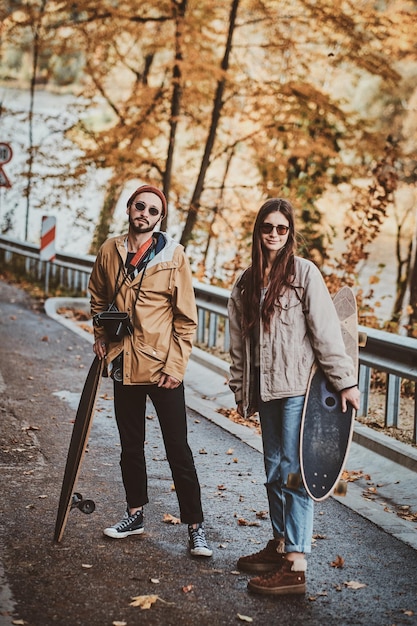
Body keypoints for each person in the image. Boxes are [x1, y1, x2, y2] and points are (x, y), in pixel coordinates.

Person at [228, 198, 360, 594]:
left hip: (297, 392)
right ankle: (280, 544)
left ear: (290, 233)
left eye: (281, 229)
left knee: (294, 472)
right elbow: (238, 343)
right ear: (258, 230)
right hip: (265, 392)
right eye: (267, 227)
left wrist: (345, 382)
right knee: (273, 472)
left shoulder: (303, 274)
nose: (273, 235)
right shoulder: (245, 281)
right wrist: (240, 389)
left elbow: (326, 333)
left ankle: (296, 564)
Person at [88, 184, 212, 558]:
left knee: (178, 449)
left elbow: (186, 320)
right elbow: (96, 295)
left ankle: (195, 527)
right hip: (124, 363)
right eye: (139, 206)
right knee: (130, 447)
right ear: (129, 208)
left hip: (161, 369)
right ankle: (135, 514)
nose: (144, 213)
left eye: (152, 210)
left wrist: (176, 367)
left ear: (160, 219)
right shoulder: (110, 250)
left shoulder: (174, 256)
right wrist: (100, 336)